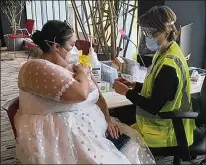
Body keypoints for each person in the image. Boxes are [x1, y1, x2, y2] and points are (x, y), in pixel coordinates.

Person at [14, 20, 155, 164]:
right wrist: (82, 73)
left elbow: (98, 95)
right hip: (65, 140)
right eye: (72, 45)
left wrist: (108, 120)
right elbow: (81, 94)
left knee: (131, 147)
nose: (75, 50)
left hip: (93, 130)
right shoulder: (37, 68)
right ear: (56, 46)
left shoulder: (71, 67)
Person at [114, 6, 196, 148]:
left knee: (116, 141)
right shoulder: (167, 51)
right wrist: (134, 85)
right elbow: (158, 89)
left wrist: (126, 92)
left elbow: (153, 106)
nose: (147, 36)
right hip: (161, 127)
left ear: (164, 31)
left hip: (167, 133)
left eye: (150, 32)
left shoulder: (169, 66)